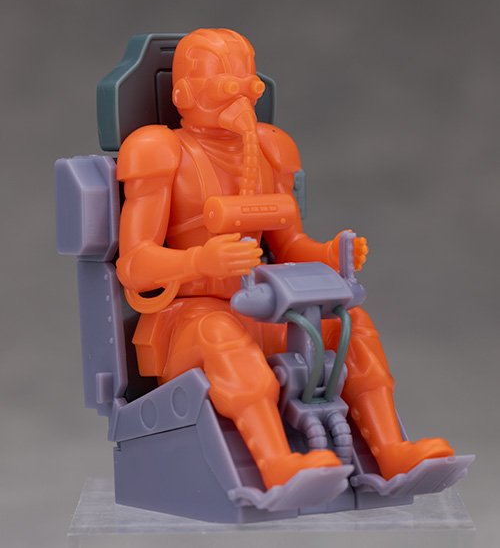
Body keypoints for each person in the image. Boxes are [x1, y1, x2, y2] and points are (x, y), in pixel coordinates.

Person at [116, 28, 453, 490]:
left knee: (350, 324)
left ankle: (392, 451)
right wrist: (200, 262)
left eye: (248, 87)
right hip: (190, 317)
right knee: (221, 335)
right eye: (225, 87)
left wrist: (330, 253)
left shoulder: (270, 148)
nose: (241, 101)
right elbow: (134, 264)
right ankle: (276, 464)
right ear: (183, 95)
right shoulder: (159, 150)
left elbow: (290, 244)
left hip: (263, 308)